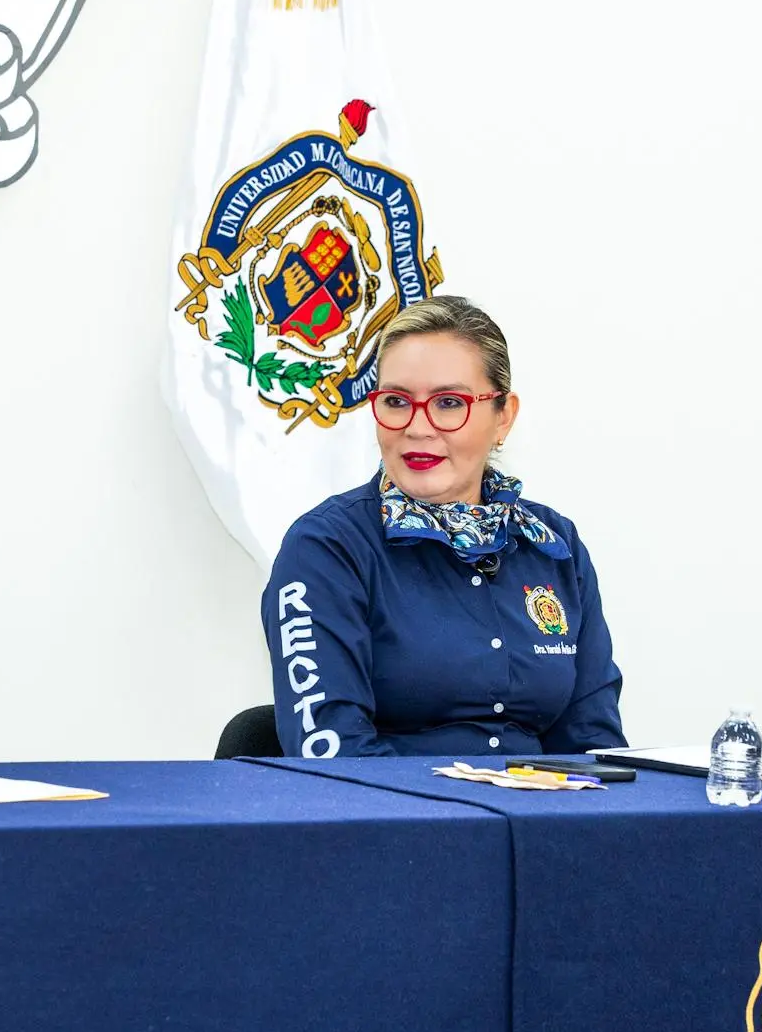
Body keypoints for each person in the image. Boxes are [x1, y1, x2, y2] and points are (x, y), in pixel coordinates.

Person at [261, 296, 625, 758]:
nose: (418, 427)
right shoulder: (326, 549)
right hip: (397, 824)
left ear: (504, 417)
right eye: (396, 401)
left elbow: (594, 746)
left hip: (541, 823)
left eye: (448, 403)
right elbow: (334, 753)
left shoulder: (555, 546)